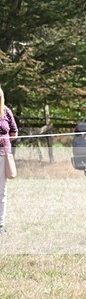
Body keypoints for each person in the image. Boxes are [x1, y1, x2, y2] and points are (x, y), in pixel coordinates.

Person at [0, 85, 18, 235]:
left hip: (2, 154)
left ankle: (0, 225)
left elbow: (14, 132)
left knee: (2, 191)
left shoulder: (6, 111)